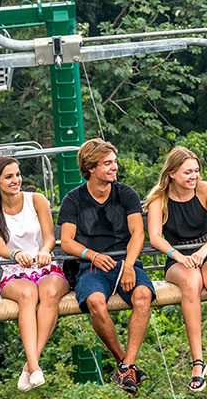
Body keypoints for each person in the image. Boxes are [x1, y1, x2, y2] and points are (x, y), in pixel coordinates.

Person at [58, 138, 155, 395]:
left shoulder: (126, 194)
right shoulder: (74, 200)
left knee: (143, 295)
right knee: (95, 303)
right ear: (91, 168)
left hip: (125, 262)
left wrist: (130, 266)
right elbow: (66, 241)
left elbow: (138, 234)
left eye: (114, 162)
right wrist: (92, 255)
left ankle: (127, 365)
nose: (114, 167)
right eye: (107, 163)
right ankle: (125, 362)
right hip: (90, 267)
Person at [145, 147, 207, 391]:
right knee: (192, 282)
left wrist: (203, 251)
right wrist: (177, 256)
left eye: (196, 171)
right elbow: (155, 236)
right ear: (172, 174)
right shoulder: (159, 199)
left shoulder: (206, 190)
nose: (193, 176)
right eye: (187, 172)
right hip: (178, 256)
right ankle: (198, 361)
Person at [0, 157, 69, 391]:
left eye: (17, 175)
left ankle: (31, 366)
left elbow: (50, 237)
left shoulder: (36, 200)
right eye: (9, 177)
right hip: (15, 271)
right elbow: (0, 247)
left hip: (44, 266)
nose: (16, 180)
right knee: (29, 295)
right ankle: (34, 365)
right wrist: (15, 254)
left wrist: (44, 251)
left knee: (49, 292)